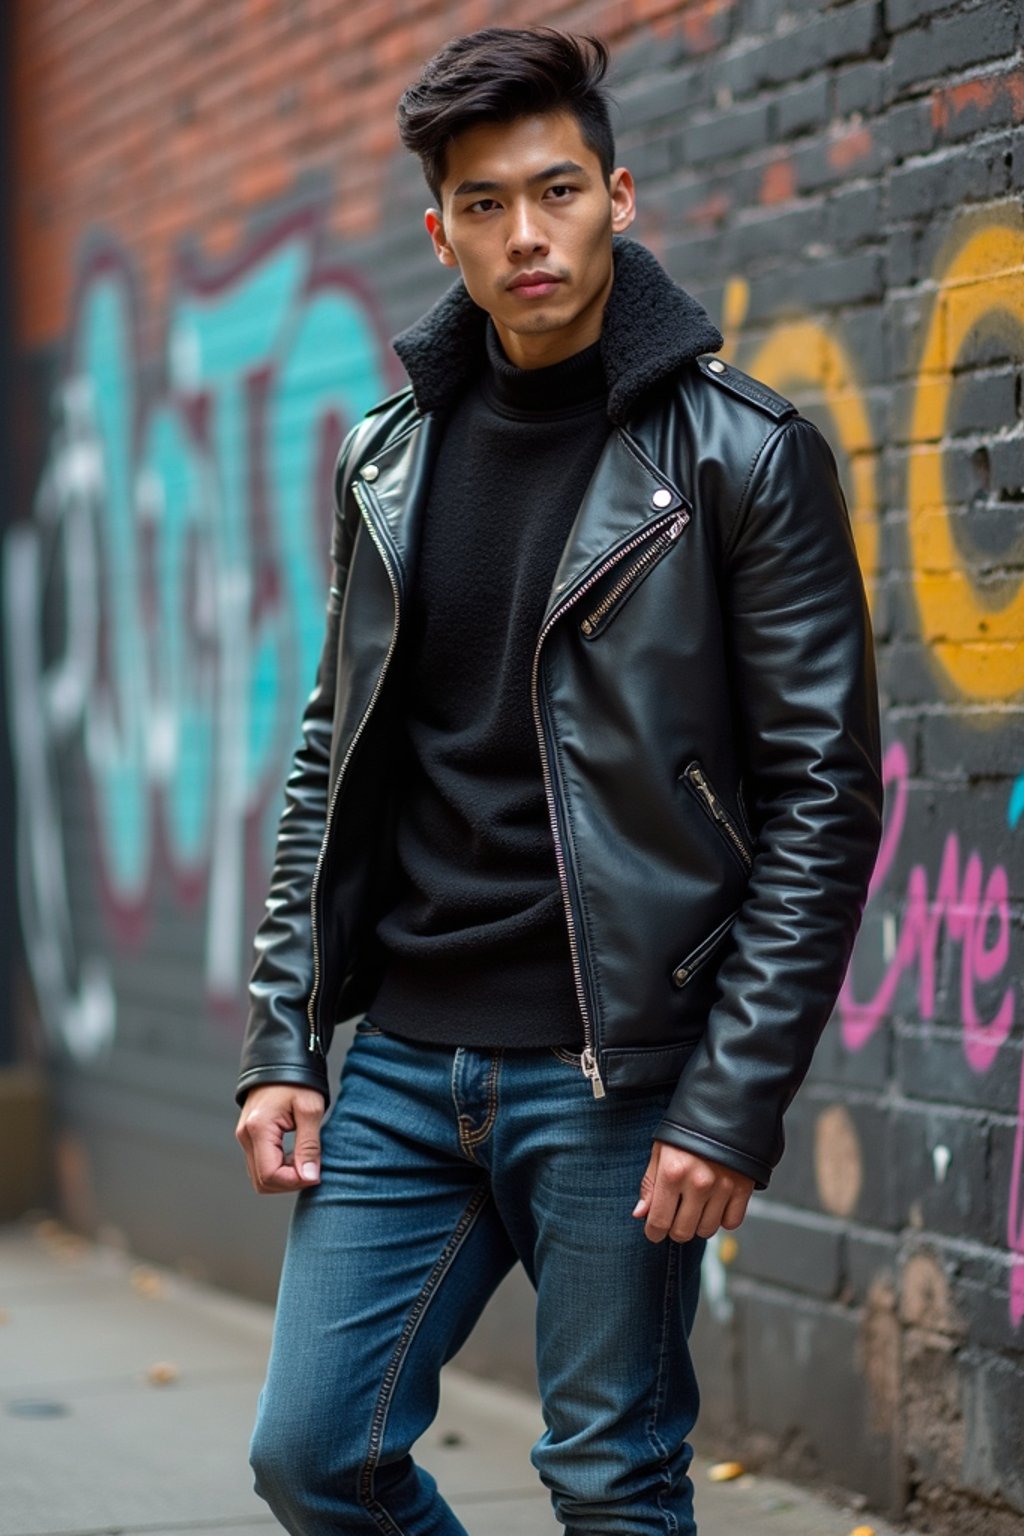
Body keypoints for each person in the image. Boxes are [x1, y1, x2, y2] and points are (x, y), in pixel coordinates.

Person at [234, 26, 883, 1536]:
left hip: (616, 1073)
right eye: (483, 204)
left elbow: (822, 801)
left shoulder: (741, 456)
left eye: (558, 190)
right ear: (439, 226)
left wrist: (727, 1104)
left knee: (610, 1479)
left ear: (620, 194)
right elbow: (334, 749)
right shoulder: (387, 457)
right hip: (399, 1062)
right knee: (312, 1459)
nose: (526, 235)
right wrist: (285, 1038)